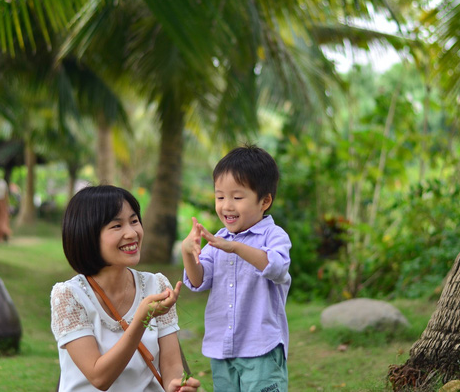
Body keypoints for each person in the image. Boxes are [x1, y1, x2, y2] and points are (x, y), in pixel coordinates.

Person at [50, 185, 200, 392]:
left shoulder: (156, 285)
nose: (132, 233)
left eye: (134, 221)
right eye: (116, 226)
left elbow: (171, 365)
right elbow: (99, 377)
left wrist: (176, 385)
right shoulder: (69, 295)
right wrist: (142, 317)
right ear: (87, 235)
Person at [181, 144, 292, 391]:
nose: (226, 206)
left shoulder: (274, 236)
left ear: (265, 201)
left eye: (237, 197)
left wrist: (236, 248)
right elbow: (199, 281)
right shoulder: (218, 239)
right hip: (222, 350)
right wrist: (188, 253)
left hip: (261, 348)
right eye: (220, 196)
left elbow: (276, 268)